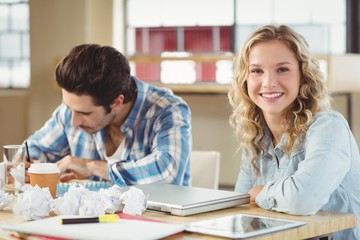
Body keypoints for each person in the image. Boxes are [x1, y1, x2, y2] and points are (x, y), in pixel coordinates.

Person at [228, 25, 360, 239]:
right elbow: (241, 207)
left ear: (303, 75)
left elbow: (303, 199)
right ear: (245, 78)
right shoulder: (257, 138)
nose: (269, 82)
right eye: (257, 71)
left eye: (282, 69)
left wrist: (262, 193)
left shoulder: (329, 127)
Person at [25, 44, 192, 186]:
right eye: (69, 108)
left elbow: (167, 173)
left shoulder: (167, 110)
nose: (73, 121)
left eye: (85, 113)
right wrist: (27, 163)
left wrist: (90, 167)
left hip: (159, 221)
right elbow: (36, 148)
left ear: (117, 103)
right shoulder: (74, 108)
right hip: (95, 220)